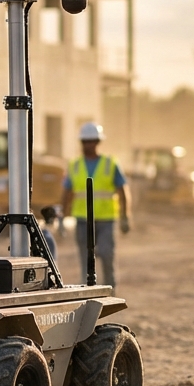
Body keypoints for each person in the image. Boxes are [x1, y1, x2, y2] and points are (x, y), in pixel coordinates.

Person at [61, 122, 130, 286]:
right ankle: (88, 295)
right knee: (86, 261)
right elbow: (66, 193)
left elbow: (123, 191)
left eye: (91, 140)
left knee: (107, 255)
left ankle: (110, 292)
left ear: (98, 142)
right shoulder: (74, 165)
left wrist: (125, 216)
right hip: (83, 220)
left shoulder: (110, 163)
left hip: (106, 220)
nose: (88, 144)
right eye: (85, 141)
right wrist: (62, 219)